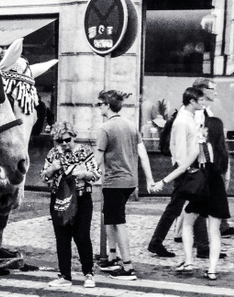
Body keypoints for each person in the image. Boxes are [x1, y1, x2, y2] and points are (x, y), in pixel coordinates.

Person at [150, 86, 229, 279]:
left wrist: (163, 180)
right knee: (215, 230)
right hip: (215, 186)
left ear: (207, 130)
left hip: (198, 180)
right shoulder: (222, 150)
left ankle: (189, 258)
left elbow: (183, 162)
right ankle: (211, 269)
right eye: (201, 100)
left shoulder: (200, 145)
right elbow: (226, 175)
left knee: (186, 220)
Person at [94, 89, 156, 280]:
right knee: (110, 218)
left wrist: (82, 174)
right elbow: (143, 155)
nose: (98, 107)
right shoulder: (131, 126)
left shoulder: (105, 128)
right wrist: (149, 179)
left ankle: (127, 267)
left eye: (99, 104)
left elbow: (96, 159)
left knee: (118, 221)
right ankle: (112, 257)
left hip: (114, 181)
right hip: (130, 181)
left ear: (106, 105)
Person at [148, 83, 211, 258]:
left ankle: (203, 247)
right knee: (178, 208)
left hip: (187, 168)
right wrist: (187, 170)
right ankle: (157, 242)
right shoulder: (183, 121)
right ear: (191, 101)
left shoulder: (188, 117)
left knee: (192, 206)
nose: (203, 103)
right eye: (200, 100)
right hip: (186, 169)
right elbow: (181, 149)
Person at [41, 122, 101, 287]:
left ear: (74, 136)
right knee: (62, 237)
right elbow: (43, 176)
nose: (65, 144)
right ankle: (65, 276)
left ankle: (88, 274)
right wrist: (52, 169)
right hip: (59, 199)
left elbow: (96, 174)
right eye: (60, 141)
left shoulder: (84, 151)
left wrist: (83, 173)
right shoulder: (53, 154)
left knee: (82, 236)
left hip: (81, 199)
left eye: (67, 139)